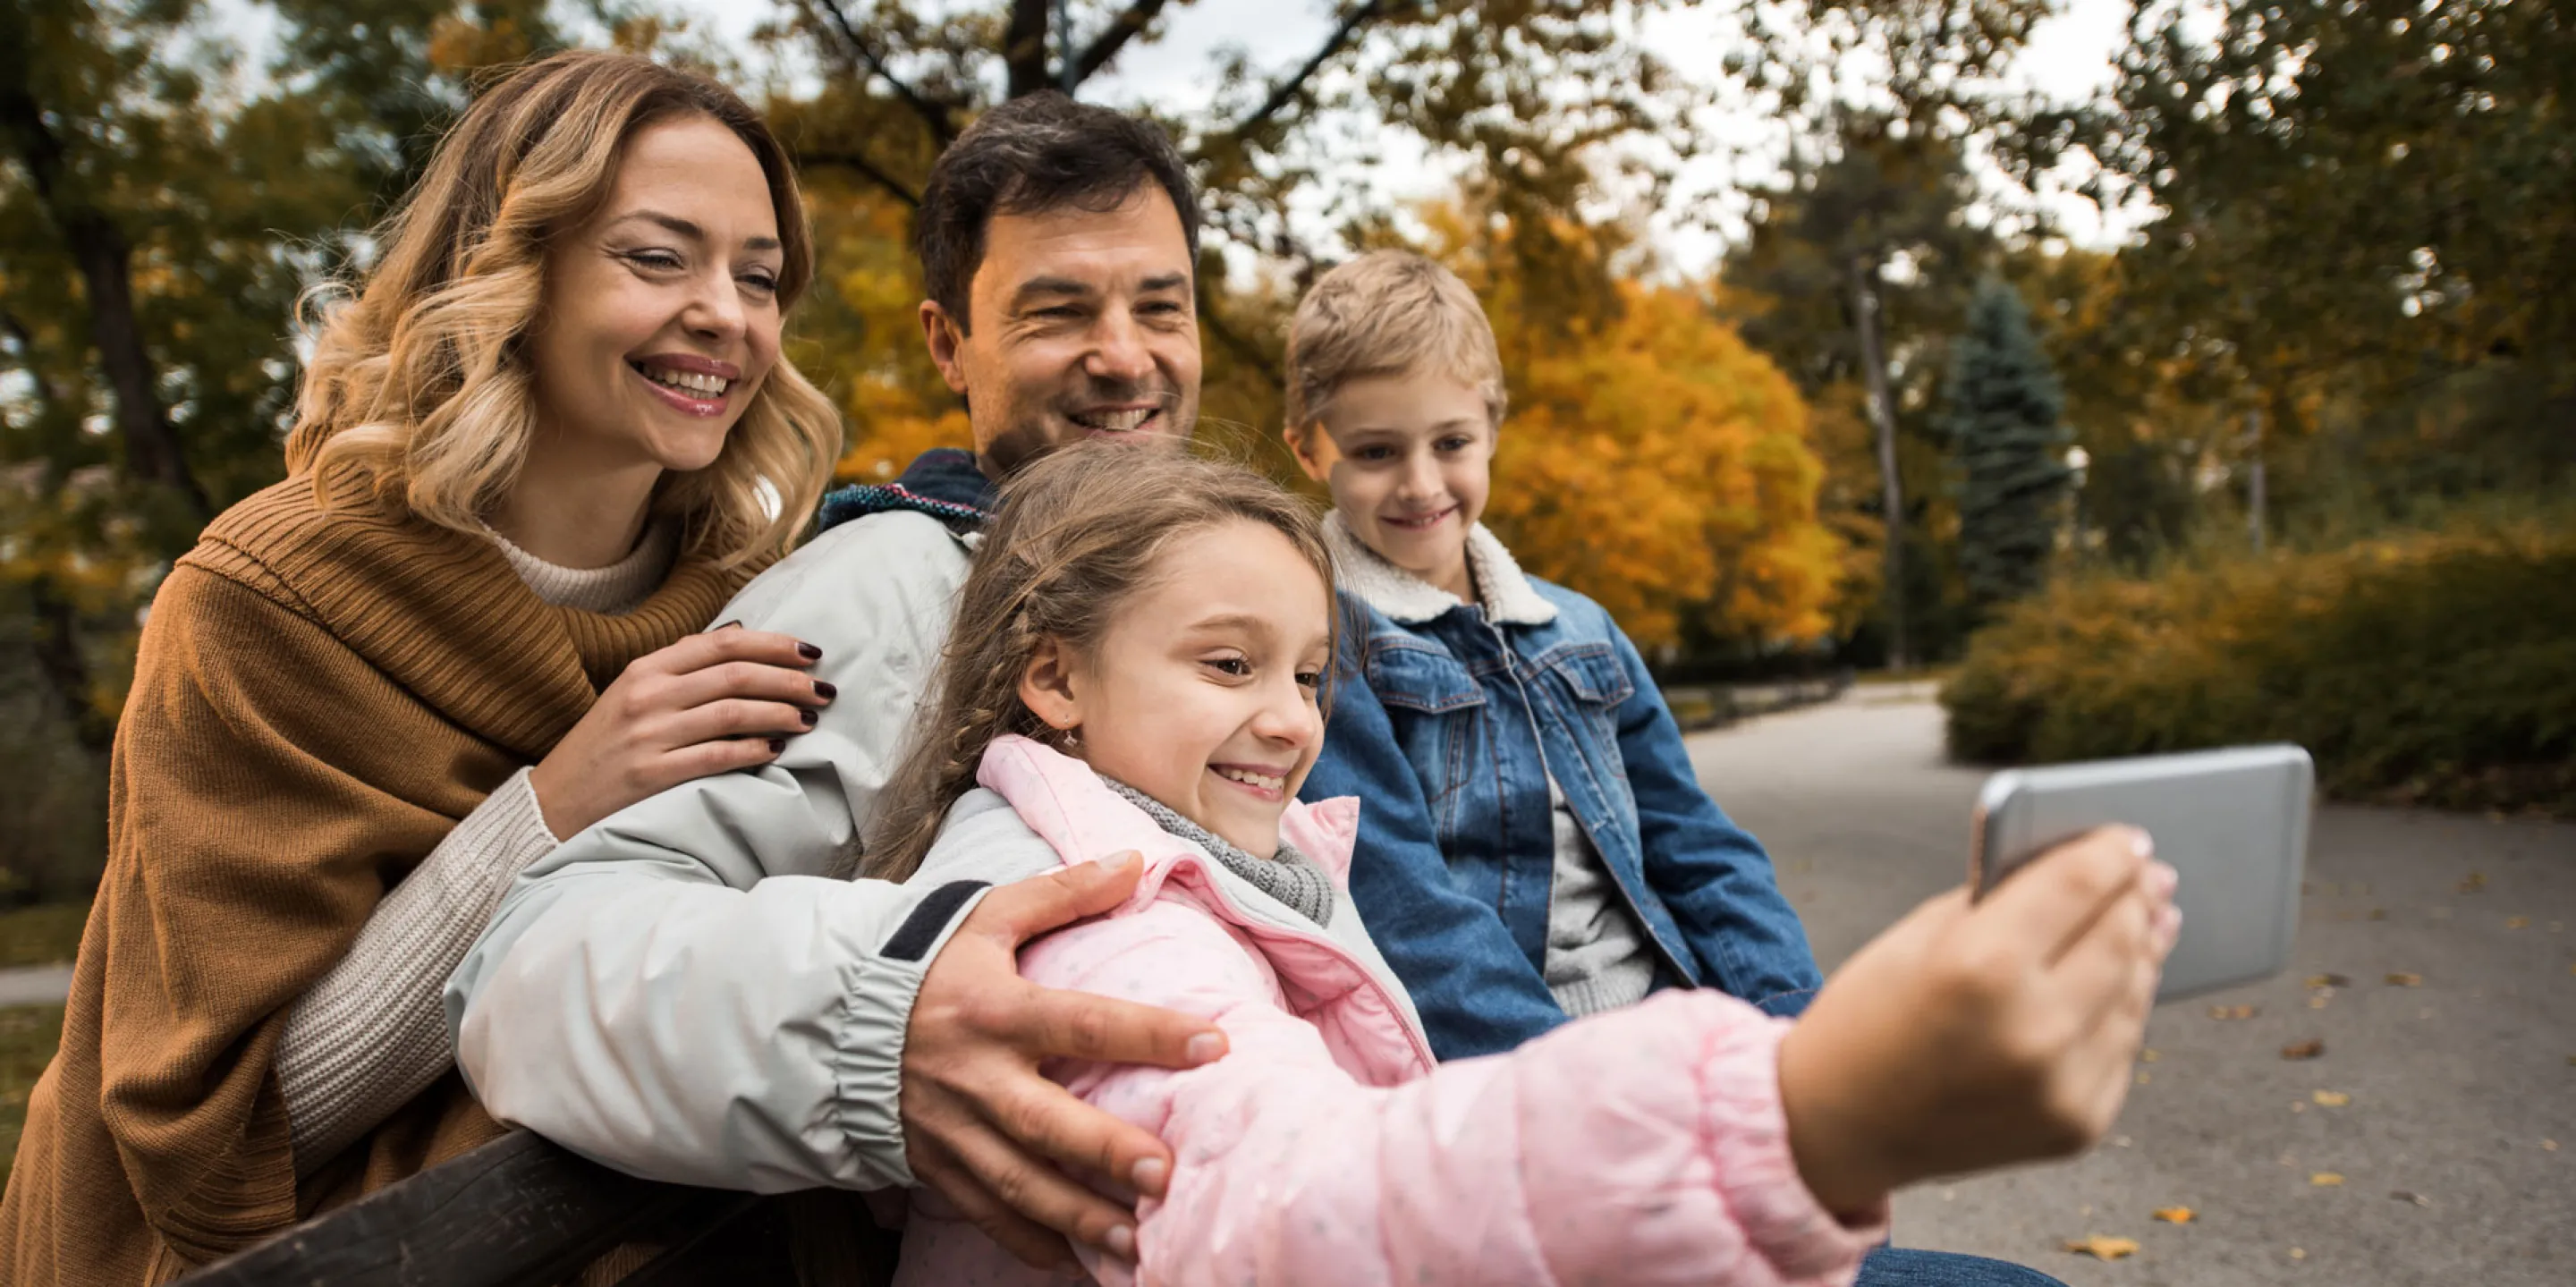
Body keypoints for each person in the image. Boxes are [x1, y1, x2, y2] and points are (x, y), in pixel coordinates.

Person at [863, 444, 2178, 1287]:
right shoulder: (1109, 919)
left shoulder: (1182, 846)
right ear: (1054, 674)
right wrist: (1799, 1107)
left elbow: (1691, 837)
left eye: (1311, 674)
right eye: (1227, 662)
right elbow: (1285, 1209)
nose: (1291, 719)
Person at [0, 51, 852, 1282]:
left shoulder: (753, 602)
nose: (729, 313)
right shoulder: (264, 598)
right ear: (513, 276)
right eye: (656, 257)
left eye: (760, 277)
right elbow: (225, 1131)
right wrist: (554, 806)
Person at [447, 91, 1224, 1271]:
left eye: (1159, 307)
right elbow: (538, 959)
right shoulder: (890, 585)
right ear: (948, 343)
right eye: (1059, 311)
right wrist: (878, 1020)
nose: (1124, 356)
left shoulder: (1222, 607)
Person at [1283, 250, 1824, 1059]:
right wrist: (1564, 1078)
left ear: (1494, 427)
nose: (1421, 483)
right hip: (1501, 1055)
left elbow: (1696, 844)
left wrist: (1797, 1027)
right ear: (1309, 451)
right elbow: (1403, 906)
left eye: (1452, 441)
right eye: (1376, 452)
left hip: (1663, 1011)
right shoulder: (1319, 641)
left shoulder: (1580, 628)